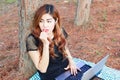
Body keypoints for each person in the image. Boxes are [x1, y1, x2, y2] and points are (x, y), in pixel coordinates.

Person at [26, 4, 80, 80]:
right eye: (41, 21)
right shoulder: (31, 39)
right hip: (51, 76)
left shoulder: (60, 31)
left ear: (56, 21)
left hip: (66, 69)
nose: (45, 25)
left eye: (49, 21)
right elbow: (42, 69)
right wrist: (45, 44)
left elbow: (64, 48)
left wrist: (71, 61)